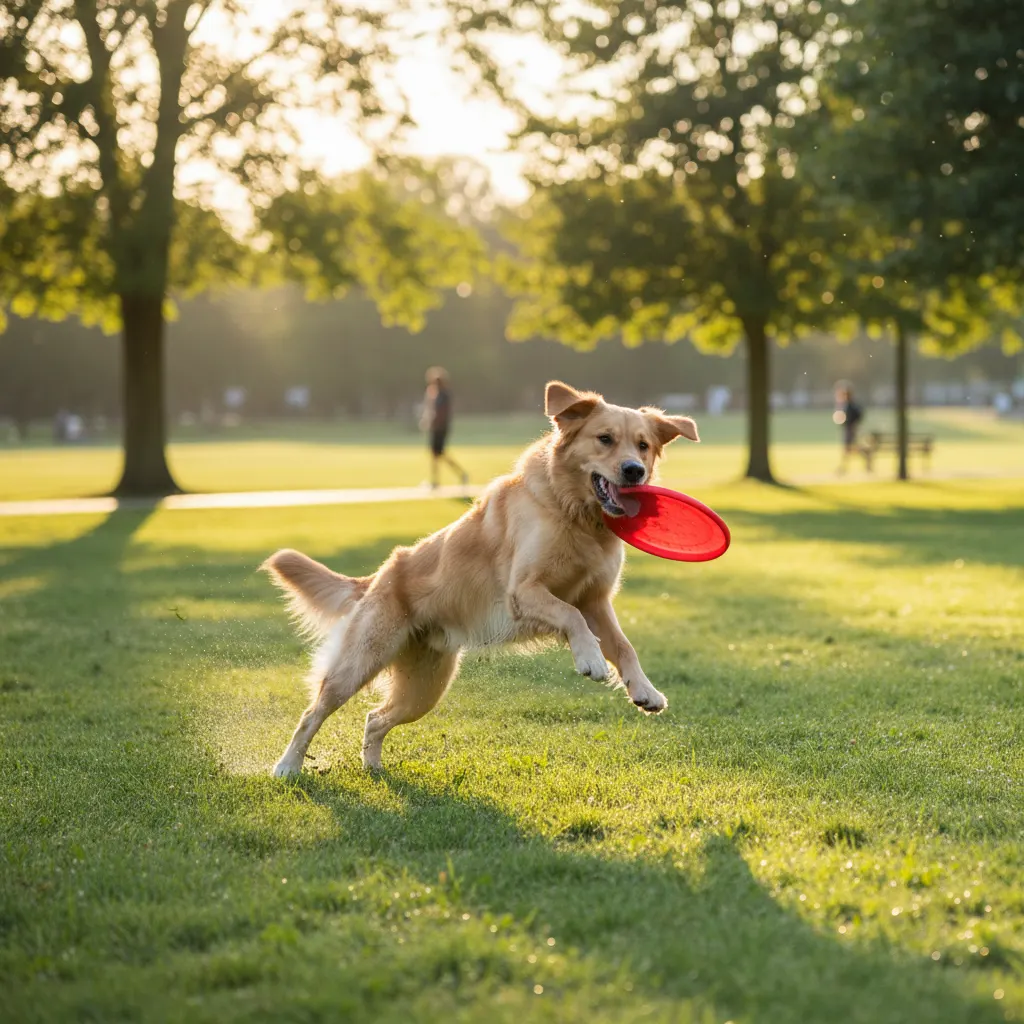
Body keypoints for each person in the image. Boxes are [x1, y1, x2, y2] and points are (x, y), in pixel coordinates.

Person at [421, 367, 468, 489]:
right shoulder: (436, 393)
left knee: (438, 453)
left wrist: (434, 423)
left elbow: (441, 412)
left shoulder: (443, 395)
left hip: (440, 428)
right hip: (439, 427)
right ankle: (436, 480)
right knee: (436, 454)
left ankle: (457, 475)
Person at [833, 382, 872, 474]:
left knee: (848, 449)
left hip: (851, 429)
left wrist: (850, 423)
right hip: (849, 429)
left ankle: (843, 468)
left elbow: (853, 416)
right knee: (849, 449)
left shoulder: (851, 405)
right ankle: (844, 467)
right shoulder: (848, 405)